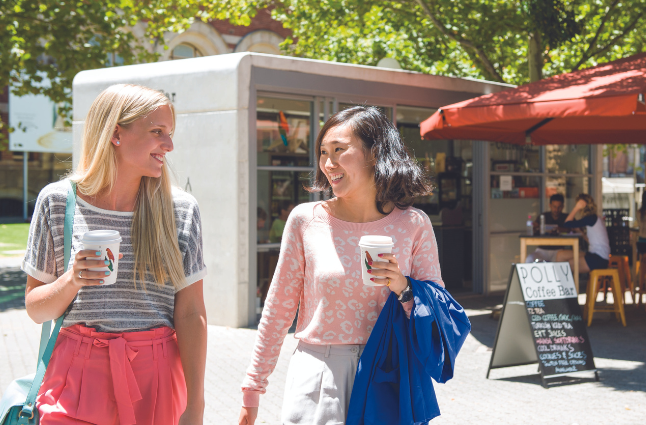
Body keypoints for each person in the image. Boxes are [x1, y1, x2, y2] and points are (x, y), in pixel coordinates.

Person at [238, 106, 443, 424]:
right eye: (322, 152)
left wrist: (403, 287)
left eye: (339, 150)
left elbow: (436, 316)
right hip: (320, 373)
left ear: (374, 154)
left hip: (391, 373)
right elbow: (278, 309)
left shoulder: (414, 223)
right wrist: (253, 389)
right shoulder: (306, 219)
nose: (328, 163)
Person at [22, 84, 207, 424]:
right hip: (75, 376)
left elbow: (191, 313)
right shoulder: (58, 202)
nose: (169, 145)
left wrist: (195, 405)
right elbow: (36, 309)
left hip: (156, 378)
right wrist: (72, 279)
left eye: (169, 133)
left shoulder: (180, 209)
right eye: (157, 132)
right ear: (116, 134)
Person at [555, 194, 610, 272]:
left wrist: (575, 208)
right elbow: (590, 241)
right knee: (560, 255)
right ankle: (560, 283)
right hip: (594, 254)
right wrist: (581, 232)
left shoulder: (590, 218)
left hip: (599, 258)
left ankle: (565, 284)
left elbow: (567, 223)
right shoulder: (594, 218)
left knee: (567, 265)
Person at [525, 193, 567, 263]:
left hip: (559, 251)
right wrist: (534, 227)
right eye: (554, 206)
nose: (556, 209)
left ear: (562, 206)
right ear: (550, 205)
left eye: (559, 207)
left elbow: (573, 230)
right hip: (542, 250)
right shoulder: (543, 216)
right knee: (529, 259)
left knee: (559, 266)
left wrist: (559, 229)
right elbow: (534, 229)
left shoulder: (566, 218)